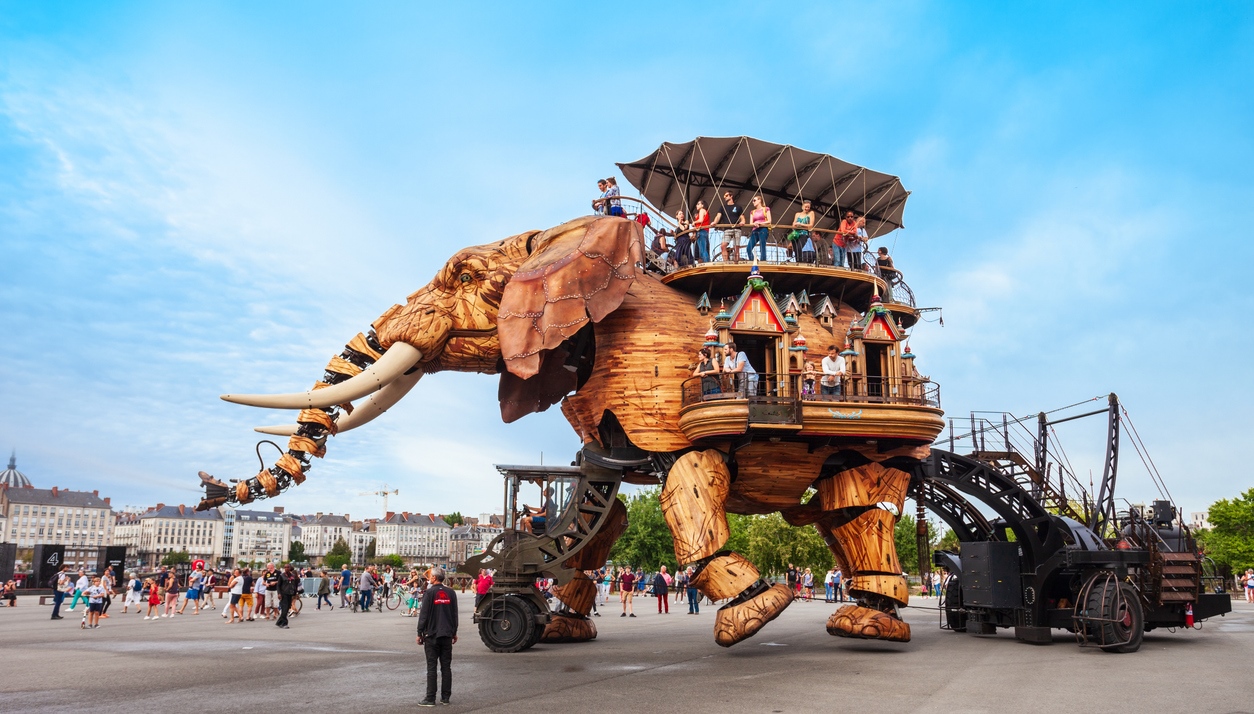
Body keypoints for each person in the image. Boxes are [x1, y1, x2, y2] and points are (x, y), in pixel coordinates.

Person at [416, 567, 459, 707]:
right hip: (446, 634)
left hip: (432, 634)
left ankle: (430, 698)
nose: (429, 578)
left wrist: (419, 633)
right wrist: (454, 632)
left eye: (430, 577)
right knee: (446, 667)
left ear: (434, 578)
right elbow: (454, 614)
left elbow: (424, 615)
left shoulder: (429, 593)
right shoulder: (451, 593)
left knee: (431, 667)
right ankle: (445, 697)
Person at [713, 191, 743, 262]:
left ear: (731, 196)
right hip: (727, 229)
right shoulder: (723, 207)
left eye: (726, 195)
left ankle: (736, 263)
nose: (725, 197)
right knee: (723, 246)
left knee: (736, 247)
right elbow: (718, 216)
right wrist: (714, 222)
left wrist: (742, 222)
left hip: (737, 229)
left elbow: (742, 217)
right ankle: (726, 262)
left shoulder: (738, 207)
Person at [746, 195, 771, 262]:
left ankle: (763, 261)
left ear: (759, 200)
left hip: (763, 228)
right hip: (755, 230)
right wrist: (754, 224)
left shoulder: (766, 209)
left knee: (762, 245)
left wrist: (760, 224)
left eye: (754, 200)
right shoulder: (752, 212)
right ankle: (754, 261)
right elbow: (751, 223)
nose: (753, 202)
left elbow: (769, 220)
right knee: (749, 248)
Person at [275, 563, 299, 629]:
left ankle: (279, 622)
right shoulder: (282, 576)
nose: (286, 568)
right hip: (283, 594)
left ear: (290, 568)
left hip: (290, 594)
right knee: (284, 609)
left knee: (288, 608)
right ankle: (284, 623)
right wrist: (279, 593)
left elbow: (295, 585)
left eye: (288, 567)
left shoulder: (293, 576)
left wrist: (296, 592)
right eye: (285, 567)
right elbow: (278, 586)